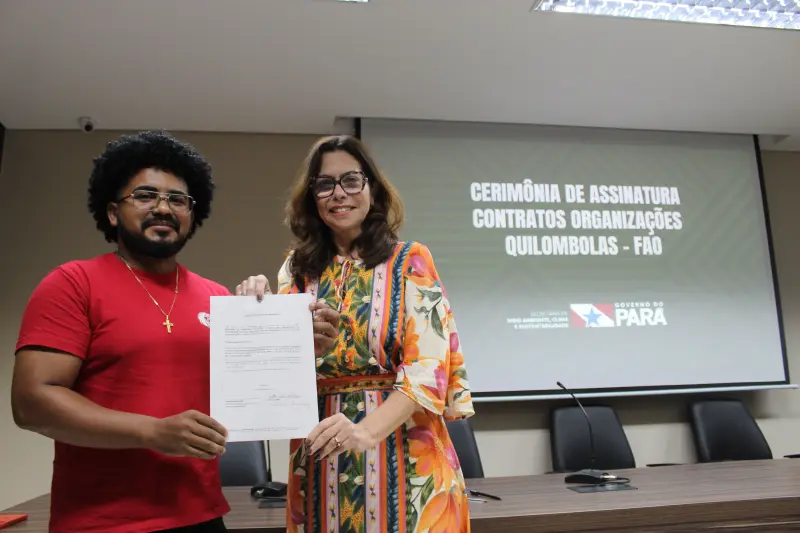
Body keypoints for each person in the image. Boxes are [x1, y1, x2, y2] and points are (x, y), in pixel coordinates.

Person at [10, 130, 340, 533]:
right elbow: (31, 402)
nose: (163, 208)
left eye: (178, 200)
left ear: (191, 216)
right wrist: (152, 431)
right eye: (145, 196)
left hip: (203, 516)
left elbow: (250, 392)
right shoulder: (73, 283)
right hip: (103, 523)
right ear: (112, 212)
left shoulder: (216, 297)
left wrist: (299, 346)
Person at [236, 135, 475, 533]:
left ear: (372, 188)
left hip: (408, 461)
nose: (338, 193)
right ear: (312, 197)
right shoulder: (295, 270)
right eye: (324, 184)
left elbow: (428, 372)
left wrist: (365, 431)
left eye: (351, 180)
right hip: (320, 464)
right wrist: (255, 312)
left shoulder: (410, 260)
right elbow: (280, 373)